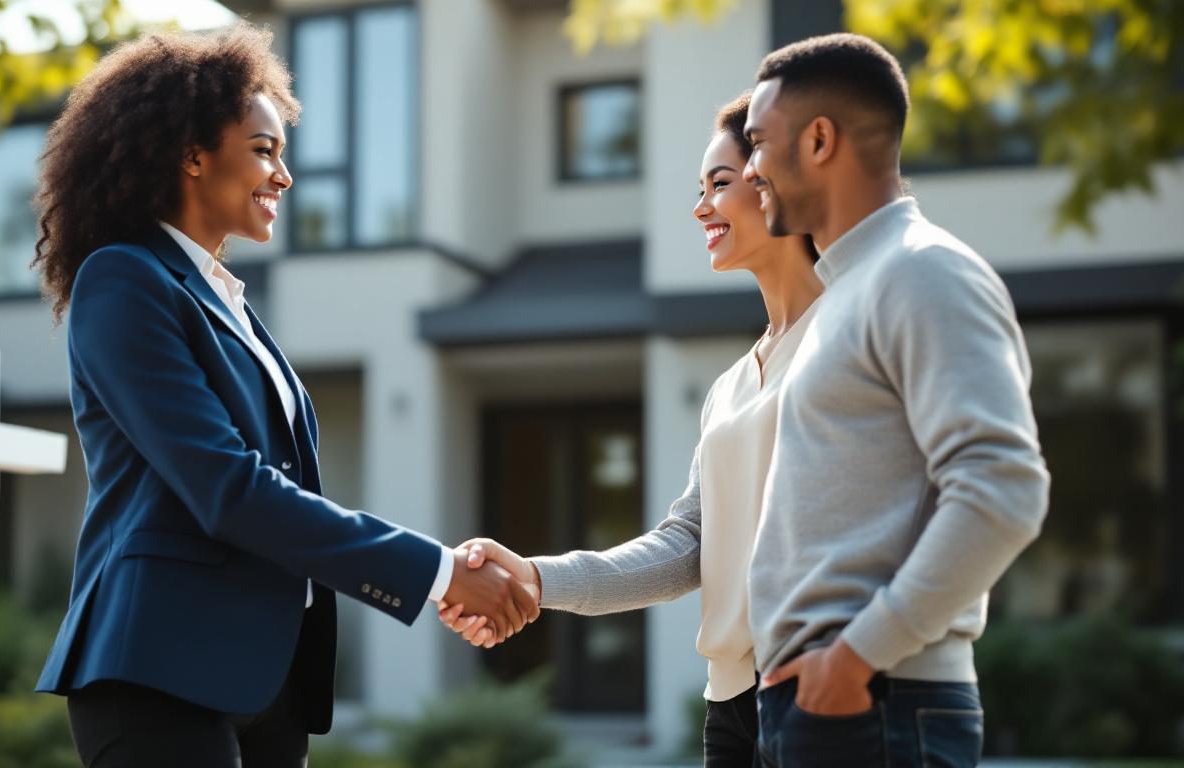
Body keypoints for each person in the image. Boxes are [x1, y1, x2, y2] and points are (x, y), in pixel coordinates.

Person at [29, 24, 537, 767]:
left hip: (265, 680)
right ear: (191, 155)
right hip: (157, 674)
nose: (284, 176)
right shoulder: (124, 280)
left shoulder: (231, 303)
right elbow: (229, 487)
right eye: (263, 150)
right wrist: (435, 573)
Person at [438, 91, 824, 767]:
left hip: (824, 700)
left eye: (721, 184)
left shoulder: (853, 337)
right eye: (699, 189)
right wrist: (533, 576)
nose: (702, 207)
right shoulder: (731, 386)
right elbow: (685, 549)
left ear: (778, 182)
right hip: (732, 708)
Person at [738, 33, 1050, 767]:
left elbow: (1003, 488)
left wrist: (853, 659)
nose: (749, 171)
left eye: (757, 143)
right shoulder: (847, 294)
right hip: (828, 704)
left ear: (819, 140)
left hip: (876, 702)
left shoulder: (923, 272)